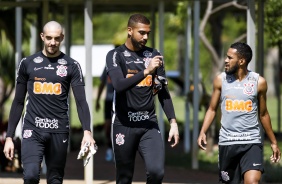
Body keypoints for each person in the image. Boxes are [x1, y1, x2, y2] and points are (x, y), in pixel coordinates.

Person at [3, 21, 96, 184]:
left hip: (58, 130)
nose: (52, 42)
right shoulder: (27, 63)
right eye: (49, 38)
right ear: (42, 37)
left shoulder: (72, 66)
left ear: (62, 38)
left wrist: (87, 131)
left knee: (55, 180)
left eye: (56, 38)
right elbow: (18, 102)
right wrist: (9, 137)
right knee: (31, 176)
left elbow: (81, 102)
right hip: (33, 129)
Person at [106, 13, 180, 184]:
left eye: (148, 33)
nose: (146, 37)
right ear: (130, 31)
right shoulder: (115, 55)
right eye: (142, 32)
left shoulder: (154, 55)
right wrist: (146, 71)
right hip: (123, 125)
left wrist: (173, 122)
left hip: (148, 124)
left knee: (156, 173)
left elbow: (163, 91)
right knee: (124, 178)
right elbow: (118, 85)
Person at [197, 42, 281, 184]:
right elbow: (212, 109)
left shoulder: (258, 82)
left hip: (251, 141)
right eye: (226, 57)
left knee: (253, 181)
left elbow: (264, 114)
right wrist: (203, 131)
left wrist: (273, 142)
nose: (226, 60)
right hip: (228, 142)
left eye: (230, 58)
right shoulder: (220, 80)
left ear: (241, 61)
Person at [95, 66, 114, 161]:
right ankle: (110, 149)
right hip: (108, 101)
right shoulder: (107, 67)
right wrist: (97, 100)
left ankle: (118, 150)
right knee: (107, 127)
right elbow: (102, 84)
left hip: (121, 101)